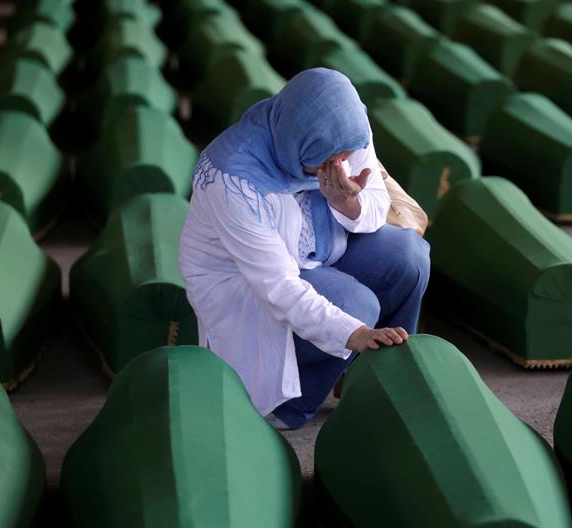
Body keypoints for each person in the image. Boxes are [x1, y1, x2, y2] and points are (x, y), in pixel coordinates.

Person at [178, 68, 431, 429]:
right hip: (251, 285)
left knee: (409, 255)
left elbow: (375, 206)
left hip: (320, 254)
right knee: (357, 306)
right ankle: (292, 406)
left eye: (346, 156)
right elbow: (277, 285)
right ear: (299, 146)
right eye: (327, 162)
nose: (340, 168)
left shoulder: (346, 128)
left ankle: (371, 379)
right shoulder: (234, 178)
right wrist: (356, 333)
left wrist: (346, 204)